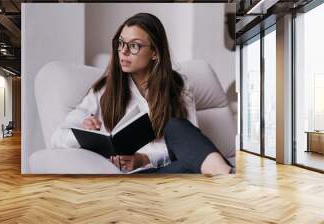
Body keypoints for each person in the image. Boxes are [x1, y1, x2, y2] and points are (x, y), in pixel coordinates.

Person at [51, 13, 233, 174]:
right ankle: (229, 179)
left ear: (154, 52)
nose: (123, 51)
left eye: (134, 46)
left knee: (178, 130)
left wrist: (145, 158)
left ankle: (226, 177)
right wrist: (84, 131)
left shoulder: (178, 85)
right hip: (135, 178)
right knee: (198, 167)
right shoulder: (103, 90)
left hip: (170, 169)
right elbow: (57, 138)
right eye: (121, 43)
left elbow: (189, 143)